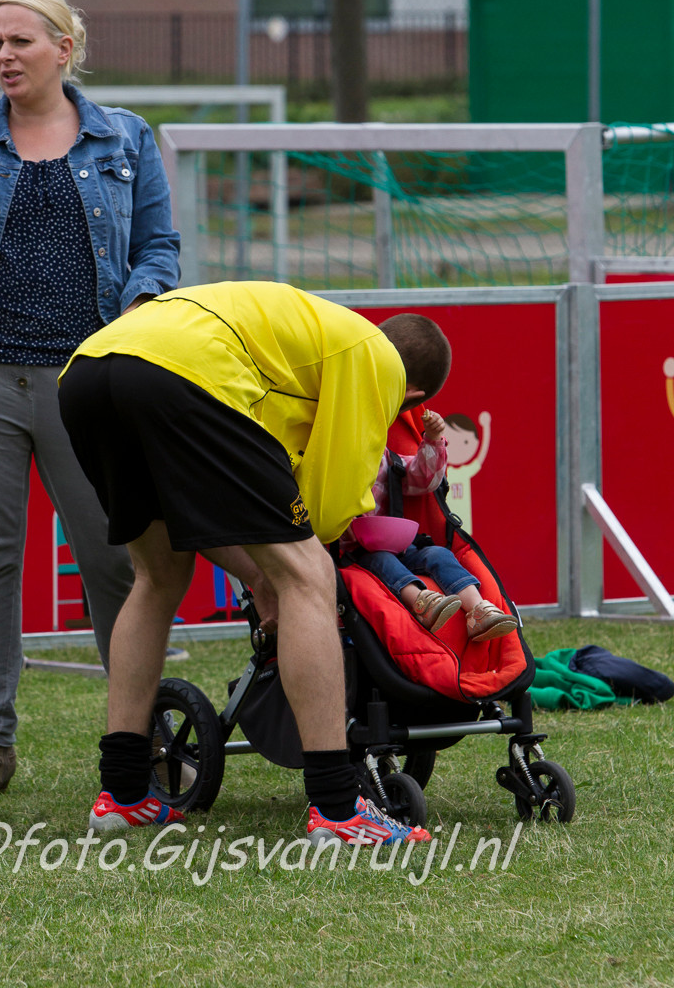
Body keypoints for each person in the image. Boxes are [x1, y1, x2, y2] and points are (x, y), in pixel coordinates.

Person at [0, 0, 180, 799]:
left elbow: (159, 247)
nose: (4, 56)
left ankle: (138, 739)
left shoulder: (124, 136)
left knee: (113, 558)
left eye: (21, 40)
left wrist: (139, 304)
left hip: (86, 378)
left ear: (65, 47)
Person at [58, 282, 451, 847]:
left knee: (158, 576)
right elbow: (329, 508)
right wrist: (290, 571)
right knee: (311, 576)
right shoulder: (376, 359)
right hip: (185, 371)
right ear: (412, 395)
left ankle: (122, 794)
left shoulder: (308, 345)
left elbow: (209, 510)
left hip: (89, 370)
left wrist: (259, 572)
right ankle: (339, 810)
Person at [342, 409, 518, 641]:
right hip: (356, 554)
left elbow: (424, 477)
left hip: (398, 546)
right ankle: (421, 603)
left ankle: (478, 611)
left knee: (438, 553)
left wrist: (433, 439)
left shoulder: (387, 460)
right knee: (382, 560)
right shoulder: (333, 469)